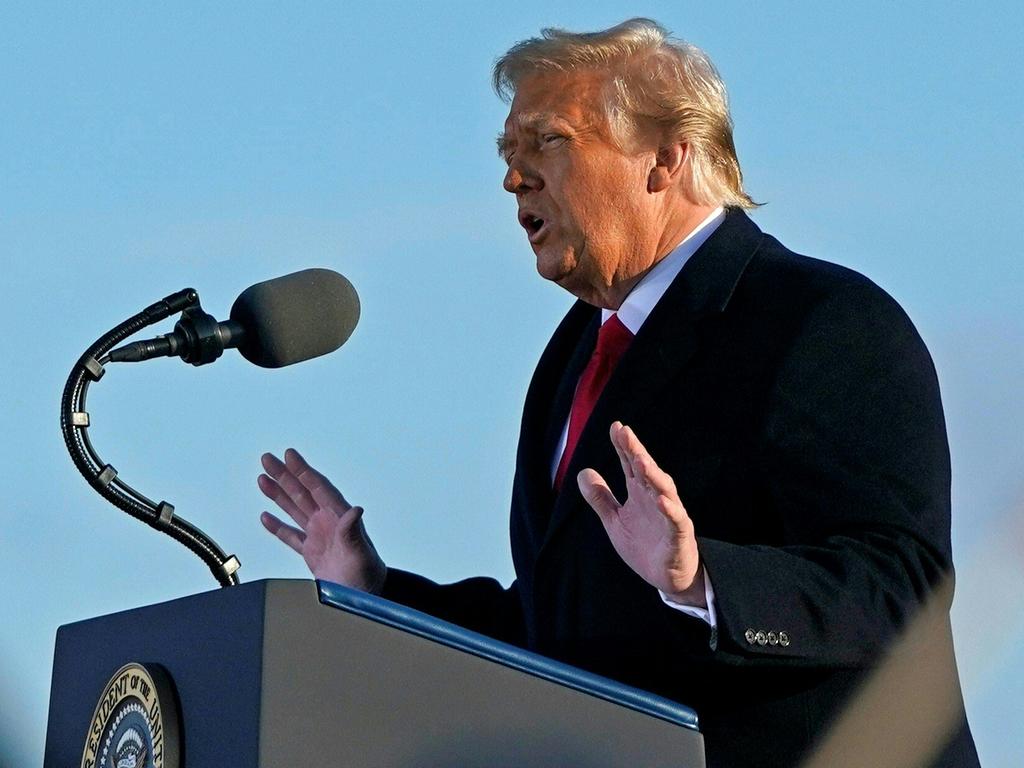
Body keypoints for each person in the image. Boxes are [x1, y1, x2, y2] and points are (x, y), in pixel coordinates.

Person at [257, 19, 979, 768]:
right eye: (508, 154)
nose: (514, 178)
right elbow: (555, 634)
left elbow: (902, 584)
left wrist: (704, 581)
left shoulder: (820, 320)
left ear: (666, 157)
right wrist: (377, 593)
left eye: (549, 141)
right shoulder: (571, 357)